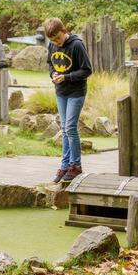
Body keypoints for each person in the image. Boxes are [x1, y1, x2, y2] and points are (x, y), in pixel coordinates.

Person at [44, 18, 93, 183]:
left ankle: (76, 166)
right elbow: (50, 62)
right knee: (64, 129)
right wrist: (53, 75)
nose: (56, 42)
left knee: (70, 128)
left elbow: (87, 70)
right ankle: (65, 166)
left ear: (64, 31)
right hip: (61, 91)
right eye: (53, 40)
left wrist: (66, 77)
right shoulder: (52, 45)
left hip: (76, 92)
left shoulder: (76, 45)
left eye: (58, 38)